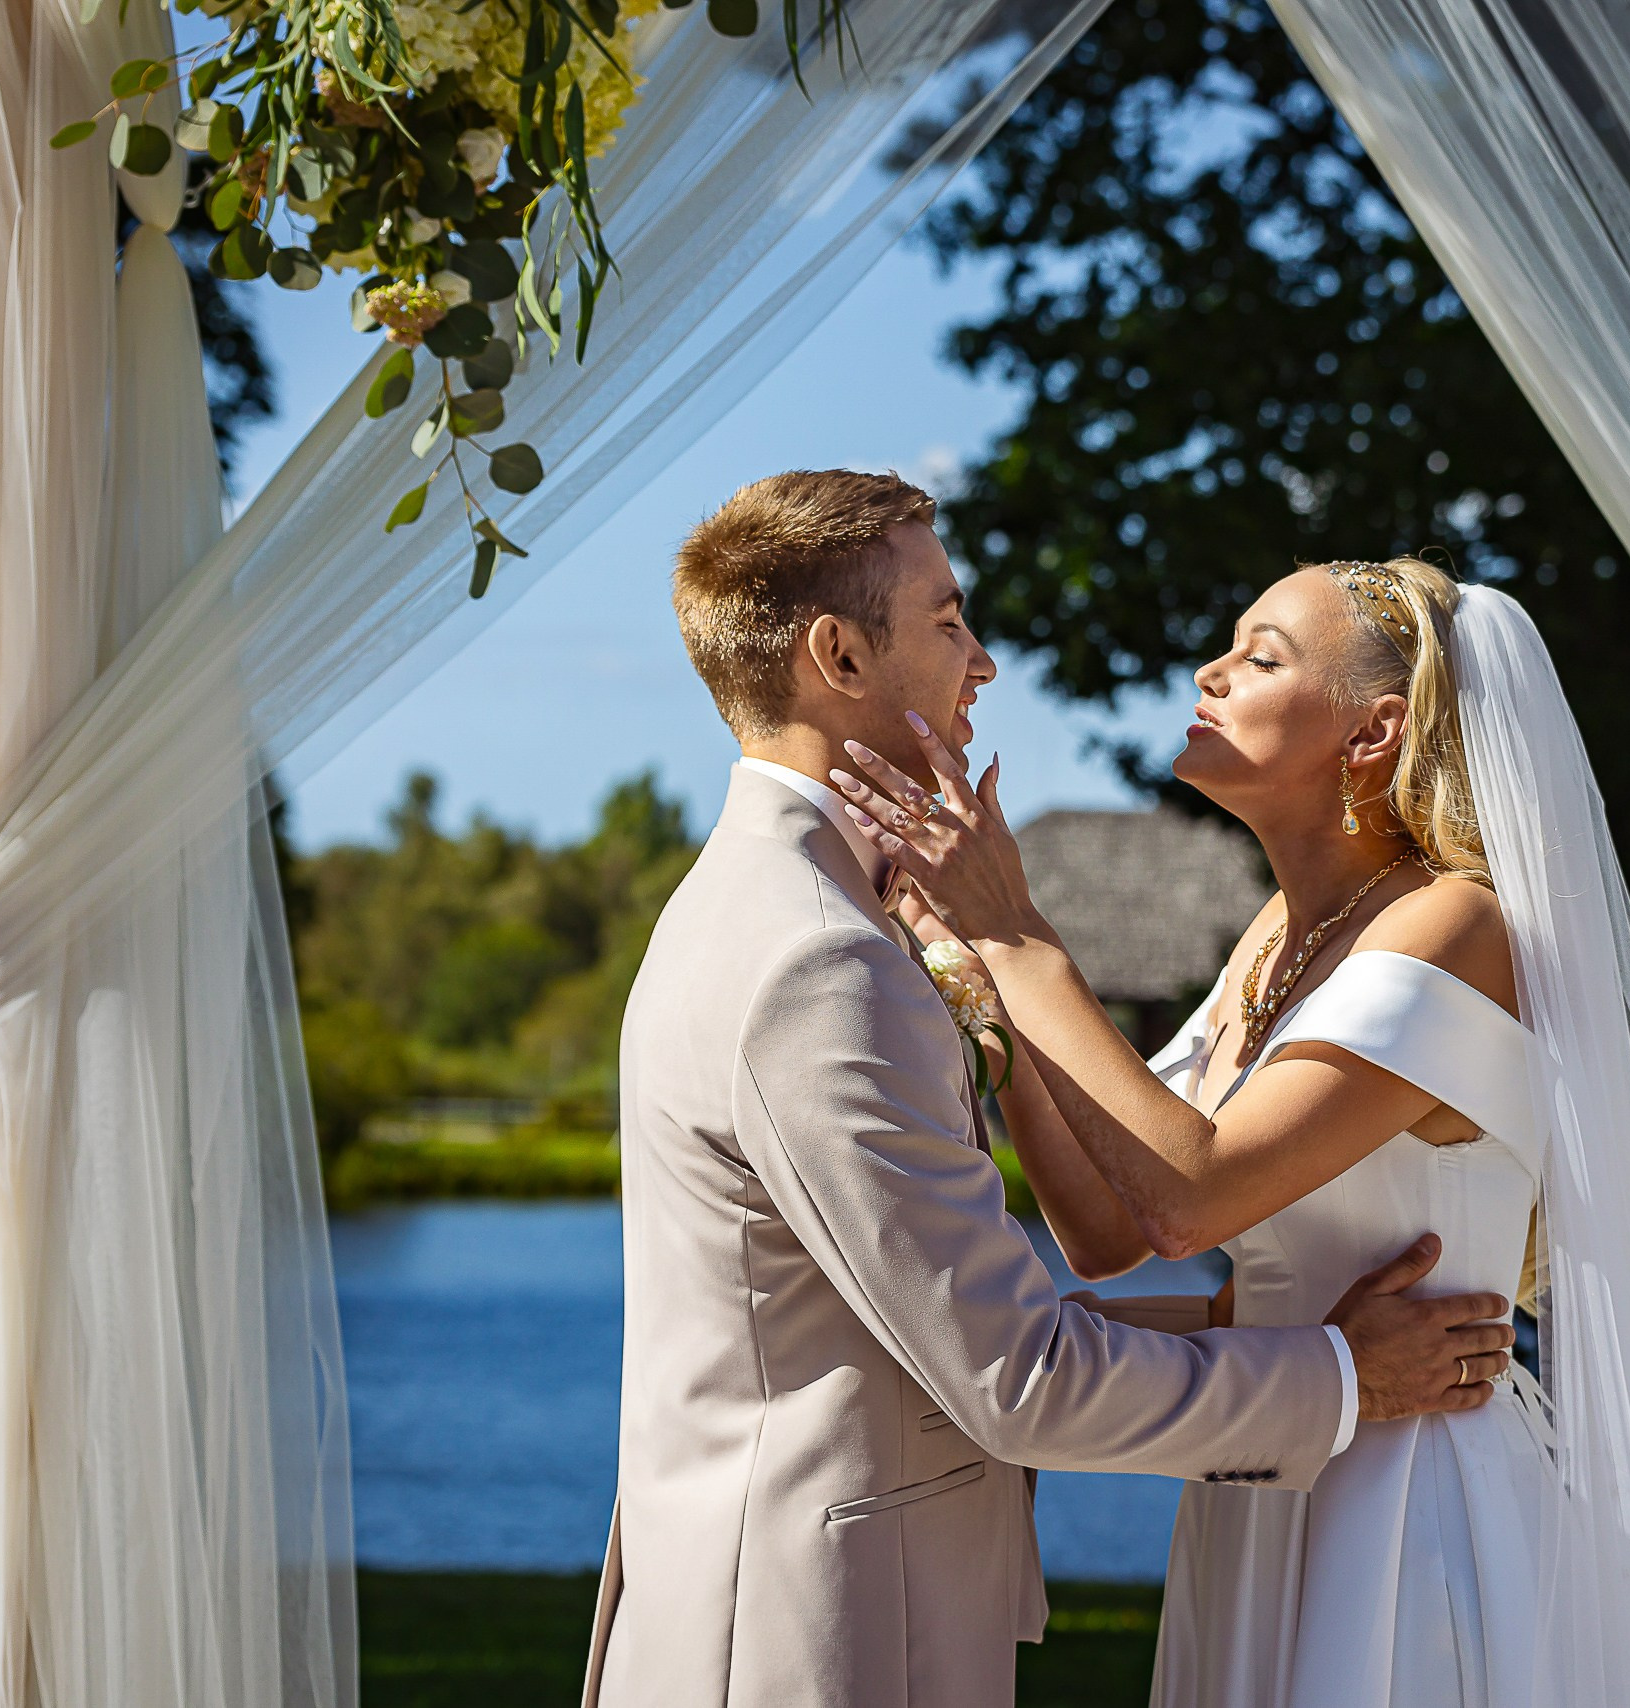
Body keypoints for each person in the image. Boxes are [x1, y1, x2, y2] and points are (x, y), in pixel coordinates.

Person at [582, 475, 1517, 1708]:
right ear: (840, 657)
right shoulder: (820, 955)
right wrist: (1339, 1372)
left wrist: (995, 965)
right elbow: (1023, 1357)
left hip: (1404, 1504)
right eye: (947, 622)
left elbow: (1093, 1244)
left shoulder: (780, 913)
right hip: (815, 1635)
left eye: (1260, 655)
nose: (983, 662)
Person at [836, 556, 1630, 1708]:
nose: (1209, 671)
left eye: (1262, 656)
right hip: (1273, 1469)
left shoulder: (1455, 927)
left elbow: (1190, 1199)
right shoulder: (1276, 935)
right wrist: (974, 965)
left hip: (1411, 1506)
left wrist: (1017, 930)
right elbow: (1104, 1223)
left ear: (1372, 732)